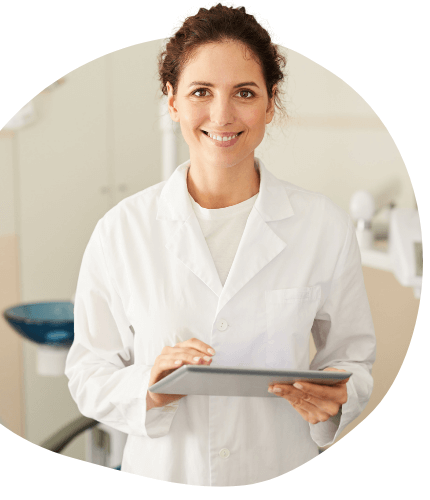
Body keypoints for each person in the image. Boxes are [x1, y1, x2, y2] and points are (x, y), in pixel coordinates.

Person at [65, 4, 376, 486]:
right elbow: (88, 372)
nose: (222, 115)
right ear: (171, 100)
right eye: (200, 92)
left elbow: (353, 357)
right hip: (165, 476)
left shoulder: (322, 226)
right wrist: (148, 387)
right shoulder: (121, 230)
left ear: (271, 102)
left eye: (245, 93)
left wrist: (335, 398)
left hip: (280, 470)